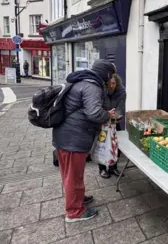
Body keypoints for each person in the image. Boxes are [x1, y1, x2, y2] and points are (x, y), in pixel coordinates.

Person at [52, 59, 116, 223]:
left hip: (65, 136)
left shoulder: (81, 81)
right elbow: (94, 113)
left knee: (70, 174)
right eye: (111, 75)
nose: (111, 79)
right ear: (106, 74)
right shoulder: (92, 86)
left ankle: (77, 198)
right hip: (74, 138)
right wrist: (108, 115)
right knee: (74, 175)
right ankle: (74, 212)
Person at [98, 73, 126, 178]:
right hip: (103, 121)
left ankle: (113, 167)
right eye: (109, 84)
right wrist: (106, 115)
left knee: (115, 145)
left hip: (114, 121)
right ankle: (102, 168)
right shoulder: (101, 91)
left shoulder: (122, 92)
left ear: (117, 83)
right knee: (102, 144)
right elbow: (98, 106)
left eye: (113, 83)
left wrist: (116, 115)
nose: (111, 86)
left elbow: (120, 107)